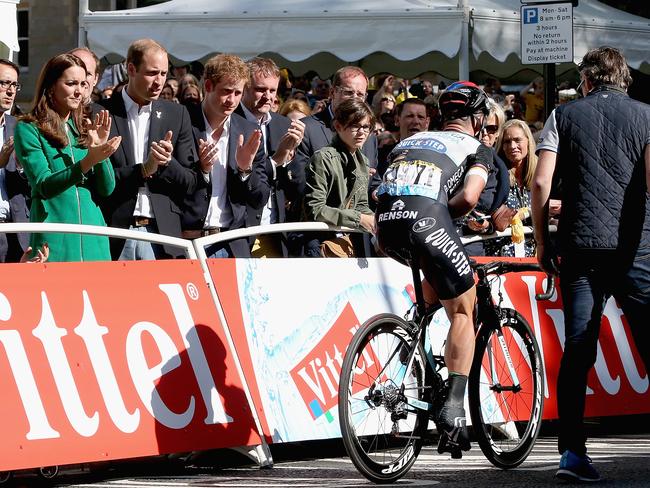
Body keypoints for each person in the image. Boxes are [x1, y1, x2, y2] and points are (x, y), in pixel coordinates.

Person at [531, 46, 650, 483]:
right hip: (634, 249)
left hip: (580, 247)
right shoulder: (646, 116)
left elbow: (541, 181)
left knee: (578, 349)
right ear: (624, 79)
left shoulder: (563, 116)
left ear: (586, 80)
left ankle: (572, 455)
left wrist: (543, 242)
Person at [375, 81, 493, 457]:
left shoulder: (406, 143)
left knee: (437, 288)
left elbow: (382, 191)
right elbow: (470, 197)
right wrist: (451, 222)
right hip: (428, 223)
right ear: (477, 118)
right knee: (463, 308)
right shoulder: (478, 147)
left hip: (386, 228)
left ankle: (414, 343)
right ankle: (455, 409)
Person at [13, 53, 120, 262]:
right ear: (51, 86)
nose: (79, 91)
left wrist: (98, 150)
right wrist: (88, 161)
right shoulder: (28, 128)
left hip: (94, 241)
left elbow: (107, 189)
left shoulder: (85, 128)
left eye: (83, 83)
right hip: (54, 243)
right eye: (71, 83)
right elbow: (43, 185)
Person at [99, 38, 199, 260]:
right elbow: (96, 178)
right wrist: (143, 169)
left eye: (164, 74)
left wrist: (166, 162)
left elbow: (190, 181)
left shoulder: (177, 114)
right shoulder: (101, 112)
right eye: (152, 73)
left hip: (162, 236)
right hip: (113, 232)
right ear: (131, 69)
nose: (159, 82)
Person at [181, 54, 270, 258]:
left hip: (230, 244)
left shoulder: (249, 132)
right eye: (226, 92)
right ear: (209, 86)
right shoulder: (183, 121)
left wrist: (245, 169)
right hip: (186, 242)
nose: (232, 100)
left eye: (238, 93)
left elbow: (259, 198)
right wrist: (201, 169)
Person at [294, 66, 378, 255]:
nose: (356, 98)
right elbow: (303, 193)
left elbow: (364, 197)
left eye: (361, 94)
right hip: (316, 239)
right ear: (333, 92)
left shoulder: (367, 144)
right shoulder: (307, 129)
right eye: (349, 92)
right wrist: (357, 218)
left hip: (353, 242)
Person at [235, 57, 305, 257]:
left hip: (276, 232)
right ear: (245, 87)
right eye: (260, 89)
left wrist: (290, 159)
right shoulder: (231, 122)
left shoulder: (283, 125)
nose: (268, 97)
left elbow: (298, 187)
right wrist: (277, 158)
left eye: (272, 91)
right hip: (240, 231)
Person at [482, 119, 540, 257]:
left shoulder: (540, 175)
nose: (512, 146)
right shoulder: (495, 176)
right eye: (507, 142)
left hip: (533, 259)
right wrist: (535, 210)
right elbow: (495, 218)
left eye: (517, 140)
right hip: (500, 258)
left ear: (528, 141)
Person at [461, 100, 511, 256]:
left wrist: (486, 225)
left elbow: (495, 213)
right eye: (480, 128)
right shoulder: (458, 157)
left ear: (497, 134)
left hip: (481, 248)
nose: (484, 134)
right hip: (452, 244)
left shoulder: (500, 167)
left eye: (491, 129)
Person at [0, 58, 31, 262]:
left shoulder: (19, 127)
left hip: (16, 230)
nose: (10, 91)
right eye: (3, 83)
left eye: (14, 85)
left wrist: (25, 170)